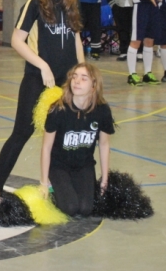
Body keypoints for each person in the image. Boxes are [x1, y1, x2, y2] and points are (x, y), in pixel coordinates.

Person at [0, 0, 84, 193]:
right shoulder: (36, 3)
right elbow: (17, 40)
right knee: (22, 132)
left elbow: (76, 39)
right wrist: (42, 65)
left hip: (67, 81)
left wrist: (82, 73)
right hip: (38, 78)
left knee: (65, 134)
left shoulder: (72, 2)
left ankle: (59, 186)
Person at [39, 63, 114, 217]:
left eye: (84, 78)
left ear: (94, 86)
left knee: (86, 209)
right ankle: (55, 189)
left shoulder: (102, 111)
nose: (77, 81)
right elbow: (46, 148)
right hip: (59, 166)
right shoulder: (57, 109)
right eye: (74, 77)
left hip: (84, 165)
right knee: (70, 208)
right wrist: (43, 182)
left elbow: (104, 145)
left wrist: (105, 179)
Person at [126, 0, 160, 86]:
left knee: (149, 41)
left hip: (152, 8)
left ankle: (147, 73)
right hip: (140, 7)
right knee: (136, 41)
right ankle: (132, 74)